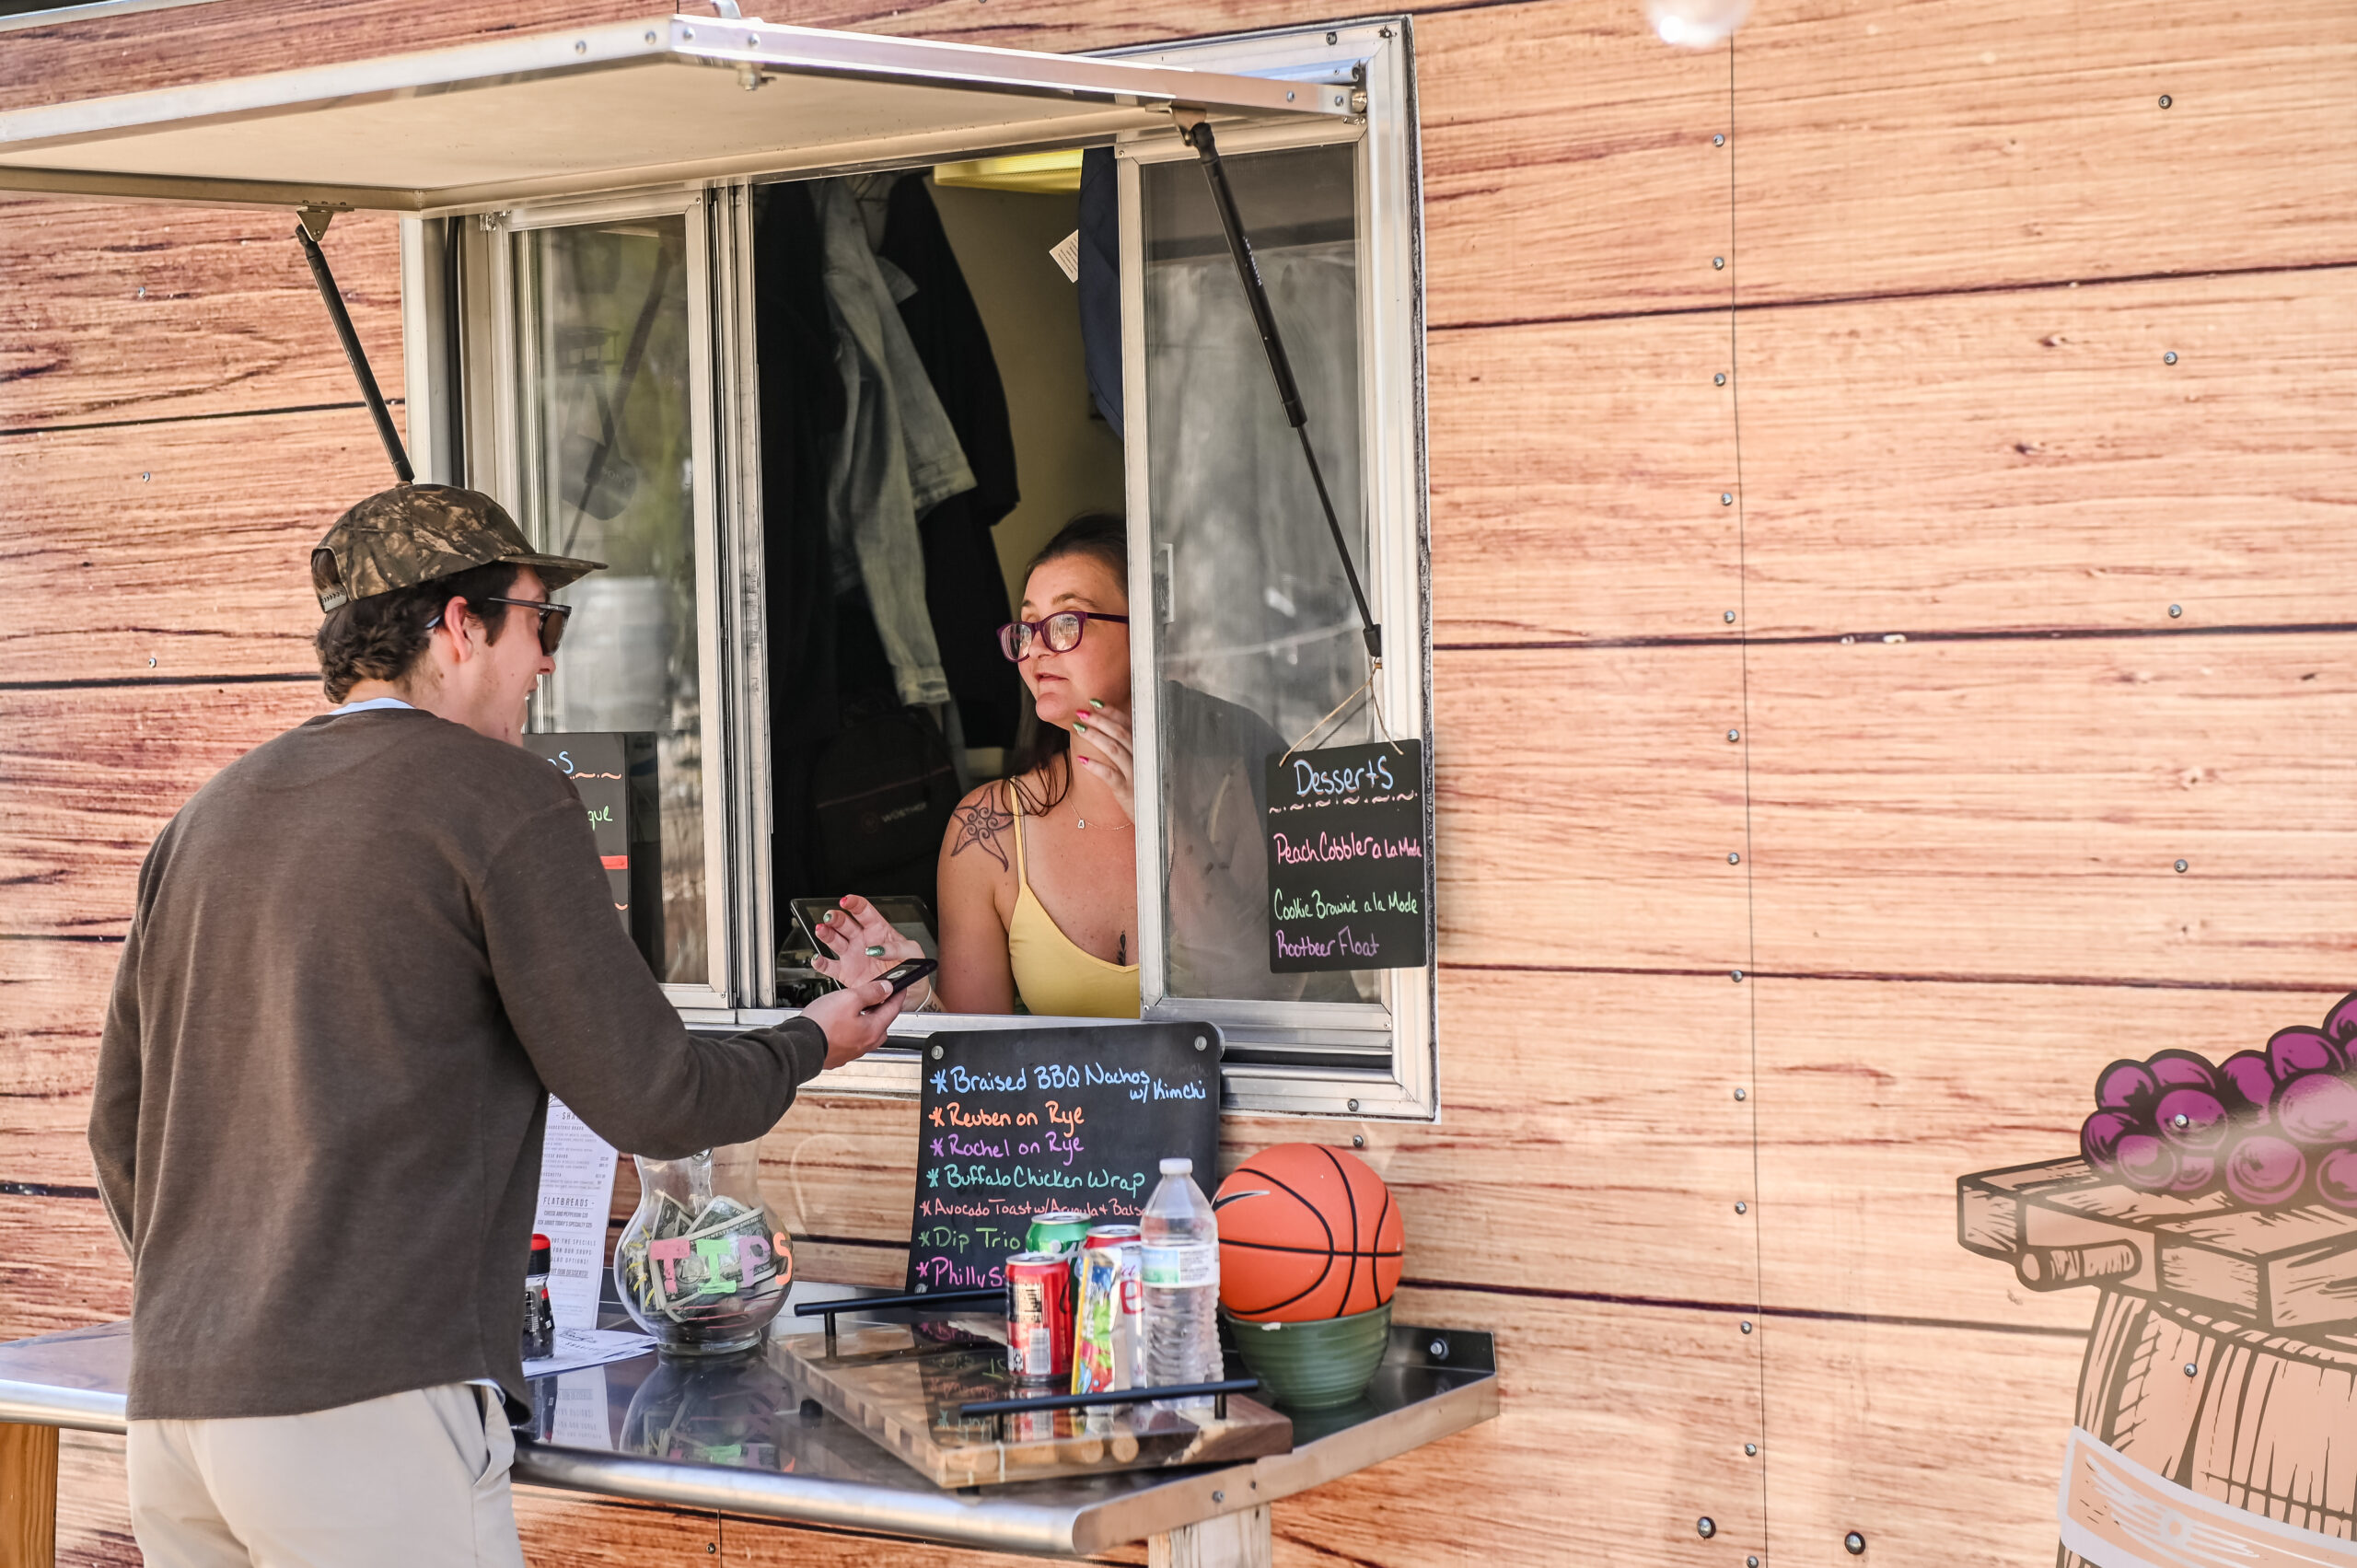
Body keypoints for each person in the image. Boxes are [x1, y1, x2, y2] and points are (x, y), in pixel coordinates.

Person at [87, 483, 907, 1568]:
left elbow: (118, 1127)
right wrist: (818, 1036)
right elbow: (653, 1097)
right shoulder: (500, 797)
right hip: (364, 1407)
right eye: (540, 621)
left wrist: (237, 1302)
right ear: (459, 622)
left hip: (177, 1409)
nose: (549, 661)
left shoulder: (207, 816)